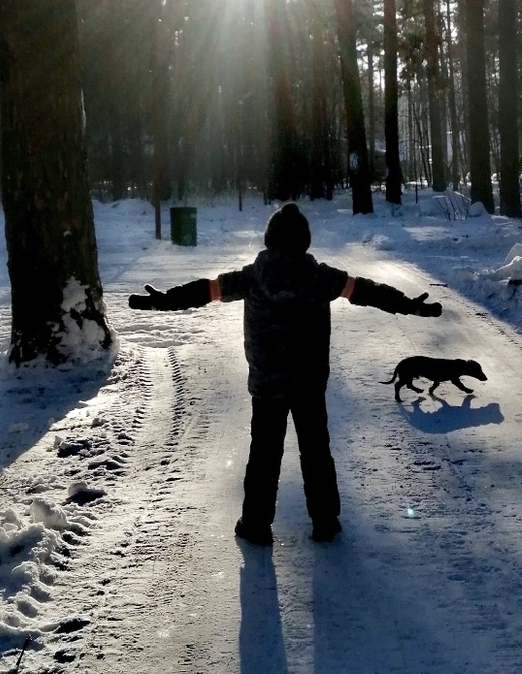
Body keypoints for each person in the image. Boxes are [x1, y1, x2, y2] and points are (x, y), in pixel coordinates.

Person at [128, 202, 442, 546]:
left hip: (266, 385)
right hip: (309, 384)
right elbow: (367, 291)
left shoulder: (250, 277)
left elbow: (205, 290)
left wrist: (163, 301)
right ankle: (324, 522)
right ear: (305, 241)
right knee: (316, 451)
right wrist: (409, 304)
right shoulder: (322, 277)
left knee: (264, 453)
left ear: (269, 239)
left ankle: (256, 525)